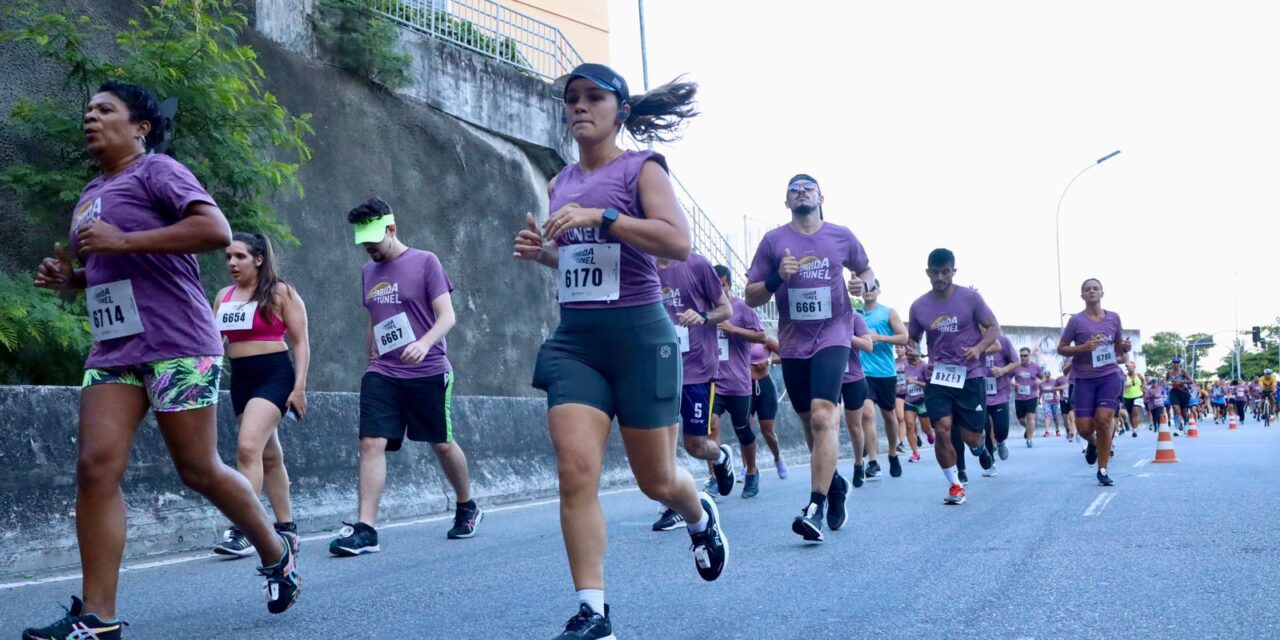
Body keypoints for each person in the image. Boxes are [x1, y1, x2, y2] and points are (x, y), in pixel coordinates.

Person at [26, 81, 298, 639]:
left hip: (177, 342)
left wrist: (122, 242)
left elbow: (214, 230)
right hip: (115, 346)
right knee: (95, 467)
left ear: (140, 127)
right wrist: (71, 280)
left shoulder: (158, 171)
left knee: (198, 469)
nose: (91, 117)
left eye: (106, 110)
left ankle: (276, 550)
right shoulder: (90, 191)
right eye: (88, 110)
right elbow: (107, 264)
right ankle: (98, 618)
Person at [513, 64, 726, 638]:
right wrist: (544, 255)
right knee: (574, 470)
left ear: (620, 112)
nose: (580, 107)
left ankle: (699, 513)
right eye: (572, 99)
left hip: (640, 338)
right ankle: (593, 610)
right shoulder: (560, 182)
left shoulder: (641, 168)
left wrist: (603, 217)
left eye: (594, 98)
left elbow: (677, 243)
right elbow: (585, 261)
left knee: (656, 481)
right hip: (577, 343)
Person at [331, 197, 482, 557]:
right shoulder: (367, 272)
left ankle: (467, 504)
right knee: (371, 442)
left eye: (375, 243)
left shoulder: (425, 262)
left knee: (441, 443)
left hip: (427, 368)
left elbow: (447, 316)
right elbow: (376, 316)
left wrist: (425, 343)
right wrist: (371, 353)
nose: (370, 251)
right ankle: (366, 529)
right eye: (364, 245)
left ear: (392, 230)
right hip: (383, 370)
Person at [745, 172, 874, 541]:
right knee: (809, 425)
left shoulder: (841, 235)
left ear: (821, 196)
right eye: (794, 190)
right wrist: (775, 279)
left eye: (808, 188)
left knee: (823, 415)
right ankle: (834, 485)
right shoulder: (773, 241)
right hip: (793, 341)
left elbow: (866, 271)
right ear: (786, 202)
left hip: (835, 333)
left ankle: (814, 506)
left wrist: (862, 285)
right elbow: (751, 295)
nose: (801, 193)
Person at [211, 233, 310, 557]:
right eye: (228, 257)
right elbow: (213, 344)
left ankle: (244, 530)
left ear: (258, 259)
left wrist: (299, 387)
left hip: (274, 375)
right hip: (241, 379)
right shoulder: (223, 296)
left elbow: (300, 342)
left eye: (239, 256)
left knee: (247, 447)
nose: (231, 263)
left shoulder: (281, 292)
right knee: (268, 455)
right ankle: (287, 528)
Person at [906, 248, 1000, 505]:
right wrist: (912, 352)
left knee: (971, 437)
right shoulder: (919, 306)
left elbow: (994, 327)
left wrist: (979, 348)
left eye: (945, 271)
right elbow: (913, 338)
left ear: (953, 271)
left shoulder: (971, 298)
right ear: (927, 272)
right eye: (935, 272)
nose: (940, 277)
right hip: (938, 376)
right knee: (942, 428)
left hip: (970, 375)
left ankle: (980, 449)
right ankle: (955, 485)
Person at [652, 253, 733, 529]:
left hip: (697, 368)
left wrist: (701, 316)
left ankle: (720, 456)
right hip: (660, 366)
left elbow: (726, 310)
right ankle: (672, 505)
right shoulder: (641, 265)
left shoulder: (696, 265)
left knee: (695, 445)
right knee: (660, 437)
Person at [1058, 278, 1130, 486]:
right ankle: (1093, 443)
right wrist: (1083, 348)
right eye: (1087, 290)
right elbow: (1061, 348)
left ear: (1102, 293)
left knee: (1104, 421)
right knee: (1084, 429)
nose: (1091, 292)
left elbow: (1118, 347)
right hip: (1084, 379)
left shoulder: (1114, 318)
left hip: (1109, 376)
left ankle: (1103, 469)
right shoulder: (1076, 321)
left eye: (1095, 289)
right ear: (1082, 295)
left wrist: (1124, 347)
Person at [708, 265, 768, 499]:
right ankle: (714, 477)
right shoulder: (704, 310)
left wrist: (732, 328)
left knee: (743, 430)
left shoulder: (742, 308)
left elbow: (761, 336)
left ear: (729, 285)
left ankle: (752, 472)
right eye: (715, 284)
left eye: (722, 284)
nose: (719, 289)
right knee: (710, 426)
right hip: (712, 381)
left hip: (738, 382)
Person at [856, 281, 909, 482]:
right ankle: (873, 462)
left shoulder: (888, 312)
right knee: (867, 413)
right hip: (862, 373)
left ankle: (893, 453)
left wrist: (880, 337)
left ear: (878, 291)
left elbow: (904, 337)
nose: (868, 292)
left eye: (872, 288)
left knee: (889, 415)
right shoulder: (856, 314)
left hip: (886, 373)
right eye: (865, 288)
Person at [839, 307, 875, 504]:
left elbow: (868, 345)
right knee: (829, 424)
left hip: (853, 379)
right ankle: (830, 470)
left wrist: (845, 335)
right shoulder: (823, 316)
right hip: (830, 379)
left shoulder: (855, 317)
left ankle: (859, 463)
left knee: (854, 426)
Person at [982, 334, 1019, 472]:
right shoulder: (971, 340)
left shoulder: (1002, 341)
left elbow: (1016, 362)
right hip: (980, 394)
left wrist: (1003, 370)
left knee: (1001, 430)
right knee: (985, 429)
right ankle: (990, 463)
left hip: (1000, 392)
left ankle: (1001, 441)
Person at [750, 339, 787, 477]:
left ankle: (778, 458)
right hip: (744, 388)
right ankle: (748, 467)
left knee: (767, 430)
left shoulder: (766, 339)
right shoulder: (737, 337)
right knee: (745, 428)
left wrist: (768, 362)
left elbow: (788, 355)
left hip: (764, 385)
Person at [901, 350, 933, 463]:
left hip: (922, 401)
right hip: (909, 401)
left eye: (911, 355)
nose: (908, 357)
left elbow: (929, 385)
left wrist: (915, 382)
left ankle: (929, 433)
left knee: (926, 428)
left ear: (917, 355)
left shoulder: (924, 366)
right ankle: (915, 453)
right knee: (909, 425)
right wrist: (902, 385)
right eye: (907, 355)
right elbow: (901, 383)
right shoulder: (903, 366)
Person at [1012, 348, 1043, 447]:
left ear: (1030, 355)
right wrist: (1013, 383)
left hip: (1032, 396)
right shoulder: (1016, 367)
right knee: (1021, 419)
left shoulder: (1036, 367)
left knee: (1030, 417)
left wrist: (1040, 381)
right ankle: (1027, 428)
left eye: (1025, 355)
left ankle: (1029, 439)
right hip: (1019, 397)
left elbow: (1043, 378)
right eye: (1021, 356)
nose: (1023, 357)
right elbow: (1009, 378)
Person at [1165, 358, 1193, 433]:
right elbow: (1166, 381)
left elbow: (1191, 381)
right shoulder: (1169, 372)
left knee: (1184, 411)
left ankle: (1186, 425)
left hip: (1183, 392)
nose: (1175, 364)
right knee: (1175, 408)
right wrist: (1167, 384)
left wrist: (1182, 381)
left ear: (1179, 364)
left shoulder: (1183, 371)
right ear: (1172, 364)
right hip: (1174, 392)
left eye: (1177, 363)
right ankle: (1177, 428)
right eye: (1174, 363)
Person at [1121, 362, 1144, 436]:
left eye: (1128, 366)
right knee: (1130, 414)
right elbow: (1122, 384)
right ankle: (1133, 428)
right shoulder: (1124, 376)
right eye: (1127, 367)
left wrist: (1143, 391)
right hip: (1127, 397)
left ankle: (1135, 429)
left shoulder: (1139, 375)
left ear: (1134, 367)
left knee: (1135, 412)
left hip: (1138, 396)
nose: (1127, 368)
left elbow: (1143, 383)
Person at [1039, 371, 1063, 438]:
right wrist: (1039, 399)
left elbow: (1059, 389)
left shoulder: (1054, 381)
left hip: (1054, 402)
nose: (1047, 378)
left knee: (1055, 417)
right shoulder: (1042, 383)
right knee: (1047, 415)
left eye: (1048, 377)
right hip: (1046, 402)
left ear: (1050, 376)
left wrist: (1060, 396)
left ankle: (1057, 430)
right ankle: (1047, 431)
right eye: (1045, 377)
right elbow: (1040, 392)